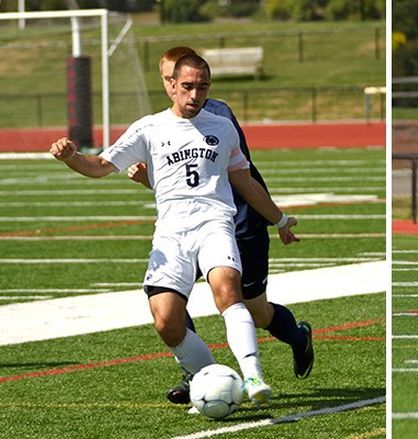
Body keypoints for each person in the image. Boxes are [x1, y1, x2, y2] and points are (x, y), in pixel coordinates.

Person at [50, 54, 298, 405]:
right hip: (171, 233)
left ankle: (253, 374)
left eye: (202, 87)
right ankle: (211, 378)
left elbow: (245, 180)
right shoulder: (148, 128)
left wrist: (281, 220)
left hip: (215, 225)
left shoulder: (222, 127)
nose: (195, 95)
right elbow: (100, 166)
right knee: (167, 321)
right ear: (171, 86)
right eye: (187, 87)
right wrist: (71, 157)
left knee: (227, 289)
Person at [128, 46, 314, 405]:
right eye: (168, 79)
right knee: (169, 299)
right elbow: (181, 183)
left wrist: (277, 219)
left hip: (238, 221)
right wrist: (150, 179)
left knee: (255, 310)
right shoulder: (164, 122)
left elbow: (230, 177)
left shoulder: (216, 115)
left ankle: (297, 337)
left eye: (177, 79)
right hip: (188, 226)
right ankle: (198, 374)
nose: (175, 87)